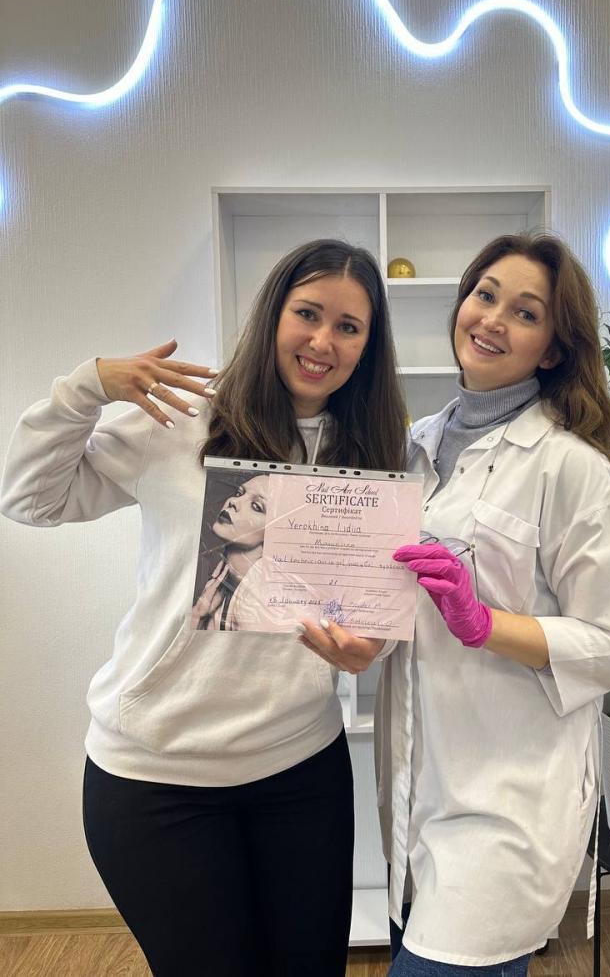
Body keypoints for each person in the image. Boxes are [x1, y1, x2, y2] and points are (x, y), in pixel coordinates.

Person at [0, 238, 406, 977]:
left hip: (300, 768)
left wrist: (368, 646)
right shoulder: (183, 418)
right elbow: (29, 497)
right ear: (273, 313)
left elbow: (373, 606)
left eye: (349, 327)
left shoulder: (374, 453)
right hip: (156, 777)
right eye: (307, 313)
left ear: (368, 347)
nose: (323, 341)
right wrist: (86, 388)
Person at [379, 233, 610, 973]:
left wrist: (484, 622)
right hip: (418, 787)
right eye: (486, 294)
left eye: (526, 313)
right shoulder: (412, 449)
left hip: (508, 803)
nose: (493, 319)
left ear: (554, 348)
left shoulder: (571, 468)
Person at [191, 472, 272, 630]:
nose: (234, 501)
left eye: (256, 506)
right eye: (239, 493)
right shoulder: (217, 586)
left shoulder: (260, 602)